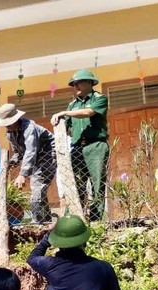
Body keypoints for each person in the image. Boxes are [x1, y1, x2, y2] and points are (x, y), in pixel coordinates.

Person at [51, 69, 109, 222]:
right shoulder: (72, 105)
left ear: (89, 83)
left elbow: (89, 112)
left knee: (97, 184)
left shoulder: (99, 98)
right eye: (73, 84)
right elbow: (66, 126)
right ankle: (76, 219)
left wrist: (64, 113)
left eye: (78, 83)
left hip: (96, 146)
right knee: (76, 184)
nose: (75, 86)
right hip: (77, 148)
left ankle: (96, 219)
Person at [0, 103, 56, 224]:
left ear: (16, 119)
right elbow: (19, 153)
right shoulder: (10, 133)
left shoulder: (29, 128)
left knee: (37, 185)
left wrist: (22, 174)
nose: (6, 126)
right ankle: (46, 221)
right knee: (39, 190)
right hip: (35, 159)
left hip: (48, 155)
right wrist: (9, 166)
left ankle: (36, 222)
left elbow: (31, 150)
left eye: (8, 123)